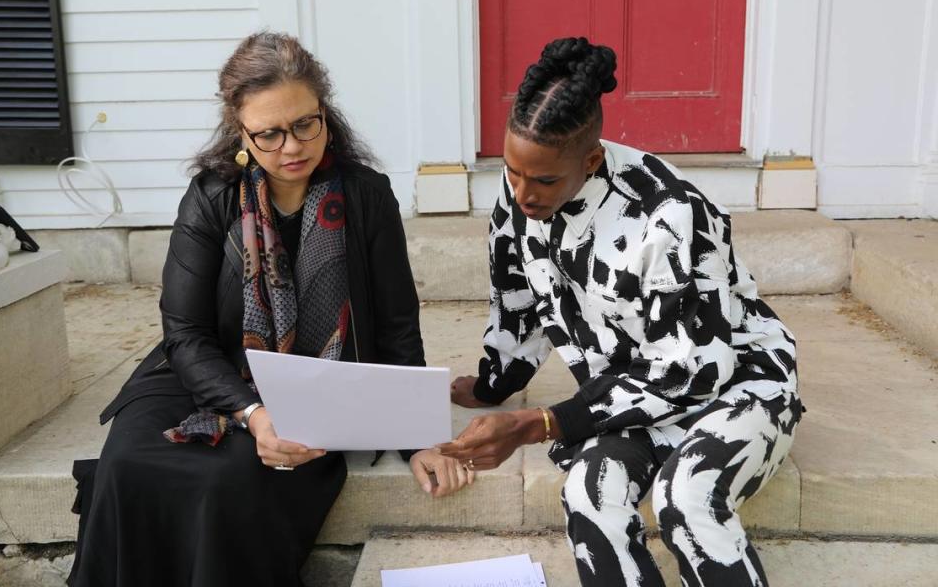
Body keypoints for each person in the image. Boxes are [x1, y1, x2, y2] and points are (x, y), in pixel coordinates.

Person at [68, 31, 473, 587]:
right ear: (241, 132)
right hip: (202, 379)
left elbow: (398, 326)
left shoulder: (365, 195)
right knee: (127, 465)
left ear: (325, 114)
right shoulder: (211, 197)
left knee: (228, 481)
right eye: (269, 134)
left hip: (314, 388)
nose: (292, 146)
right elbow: (184, 334)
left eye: (306, 123)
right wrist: (253, 414)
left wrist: (419, 436)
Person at [442, 37, 803, 586]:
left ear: (591, 159)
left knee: (688, 497)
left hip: (736, 380)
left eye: (542, 180)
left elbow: (690, 370)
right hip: (632, 396)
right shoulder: (521, 187)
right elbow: (519, 296)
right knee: (589, 493)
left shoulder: (670, 215)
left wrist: (543, 422)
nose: (522, 193)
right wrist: (496, 385)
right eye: (513, 171)